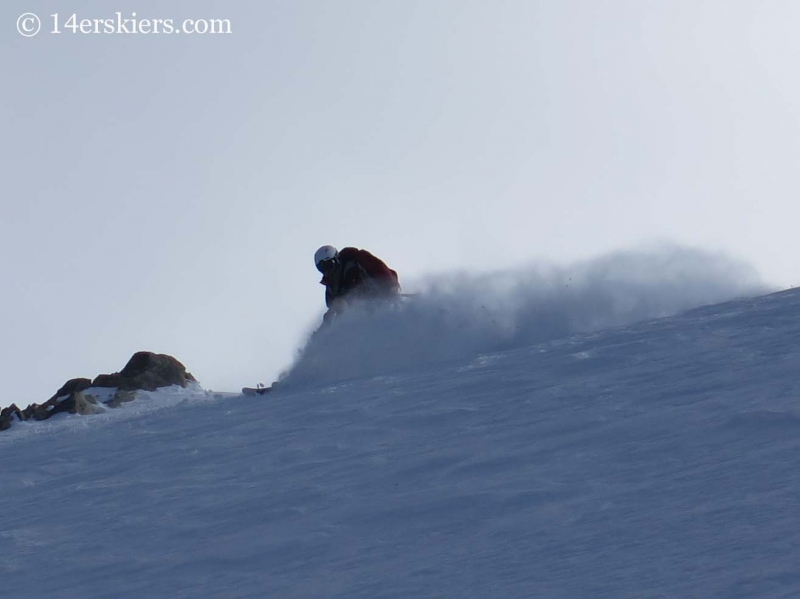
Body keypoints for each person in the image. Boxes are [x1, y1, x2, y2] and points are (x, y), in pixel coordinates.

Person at [314, 245, 400, 324]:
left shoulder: (351, 266)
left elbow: (379, 270)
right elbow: (332, 305)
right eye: (322, 268)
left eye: (329, 265)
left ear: (335, 260)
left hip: (377, 299)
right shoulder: (331, 285)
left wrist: (390, 286)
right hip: (360, 317)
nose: (327, 271)